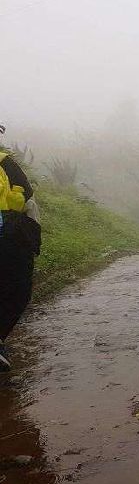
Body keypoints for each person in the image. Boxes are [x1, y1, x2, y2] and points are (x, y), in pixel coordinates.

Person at [0, 147, 40, 373]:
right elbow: (30, 204)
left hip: (9, 240)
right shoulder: (6, 163)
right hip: (9, 240)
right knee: (18, 291)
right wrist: (33, 239)